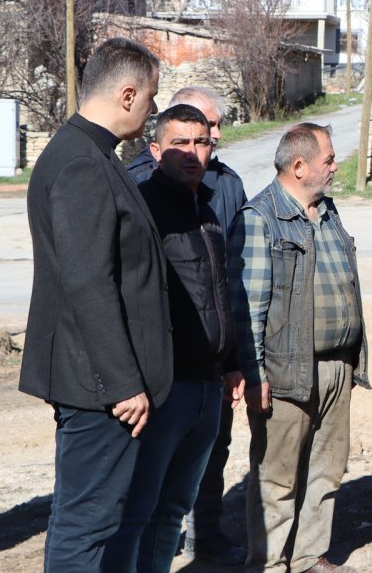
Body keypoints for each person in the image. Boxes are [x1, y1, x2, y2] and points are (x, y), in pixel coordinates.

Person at [18, 37, 170, 570]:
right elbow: (87, 282)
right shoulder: (82, 162)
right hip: (98, 386)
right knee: (87, 523)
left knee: (98, 518)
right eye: (151, 100)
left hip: (98, 380)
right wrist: (123, 381)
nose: (151, 112)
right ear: (128, 95)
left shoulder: (88, 152)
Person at [104, 103, 246, 572]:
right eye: (180, 143)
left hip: (208, 388)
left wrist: (230, 363)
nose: (192, 152)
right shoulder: (143, 209)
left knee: (172, 512)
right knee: (139, 511)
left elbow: (220, 290)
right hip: (165, 391)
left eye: (201, 142)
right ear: (155, 149)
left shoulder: (206, 208)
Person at [230, 123, 369, 573]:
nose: (334, 166)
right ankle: (268, 564)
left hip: (337, 367)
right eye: (328, 159)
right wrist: (255, 376)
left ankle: (310, 557)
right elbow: (249, 307)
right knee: (277, 478)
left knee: (327, 470)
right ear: (298, 166)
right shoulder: (259, 218)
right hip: (287, 371)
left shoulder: (326, 211)